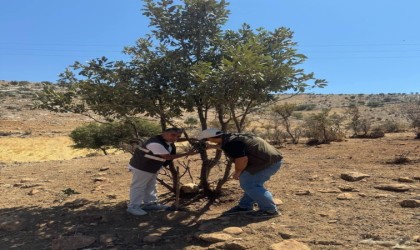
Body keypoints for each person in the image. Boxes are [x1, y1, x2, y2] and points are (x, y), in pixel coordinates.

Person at [197, 128, 283, 219]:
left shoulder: (231, 143)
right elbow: (234, 147)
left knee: (249, 184)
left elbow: (242, 159)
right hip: (269, 160)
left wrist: (238, 172)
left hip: (267, 163)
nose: (207, 141)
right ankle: (245, 206)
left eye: (206, 139)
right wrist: (213, 147)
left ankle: (269, 210)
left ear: (211, 138)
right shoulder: (231, 137)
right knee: (252, 184)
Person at [127, 127, 195, 216]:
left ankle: (150, 203)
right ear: (164, 133)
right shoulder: (155, 144)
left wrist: (190, 139)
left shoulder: (163, 139)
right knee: (138, 186)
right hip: (142, 167)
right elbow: (168, 157)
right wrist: (188, 153)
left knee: (151, 185)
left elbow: (174, 140)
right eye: (173, 135)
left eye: (178, 136)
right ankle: (133, 207)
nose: (175, 138)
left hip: (151, 166)